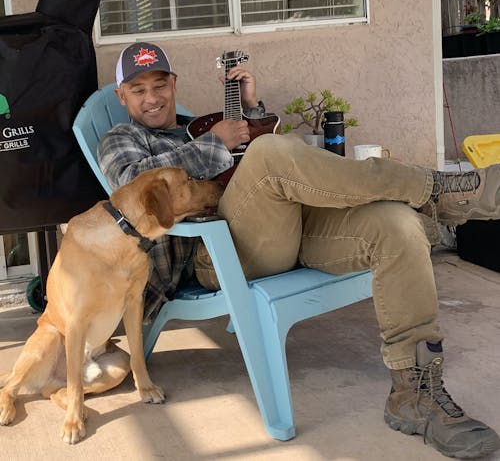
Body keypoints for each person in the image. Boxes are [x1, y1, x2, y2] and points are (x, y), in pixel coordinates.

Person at [98, 42, 500, 459]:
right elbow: (133, 187)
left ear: (174, 84)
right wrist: (214, 144)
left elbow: (261, 172)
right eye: (138, 89)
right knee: (268, 153)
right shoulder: (121, 139)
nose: (152, 98)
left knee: (396, 225)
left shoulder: (198, 124)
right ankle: (440, 190)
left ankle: (415, 396)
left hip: (284, 229)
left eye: (160, 85)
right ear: (121, 96)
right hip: (218, 256)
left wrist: (251, 113)